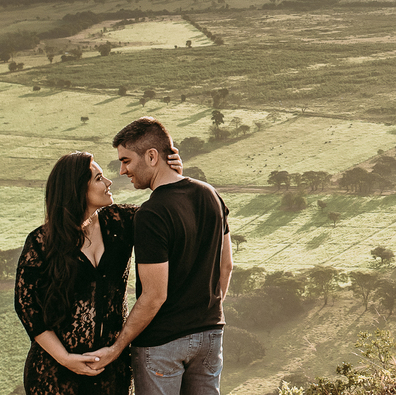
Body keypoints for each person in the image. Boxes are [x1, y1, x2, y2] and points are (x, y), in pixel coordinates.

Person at [14, 148, 182, 395]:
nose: (109, 181)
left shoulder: (123, 221)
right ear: (76, 189)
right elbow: (26, 307)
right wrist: (65, 358)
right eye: (98, 178)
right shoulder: (41, 241)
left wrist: (172, 177)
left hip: (111, 369)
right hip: (54, 373)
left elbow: (163, 216)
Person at [85, 117, 233, 395]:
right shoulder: (210, 194)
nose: (122, 170)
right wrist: (203, 316)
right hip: (210, 335)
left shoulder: (152, 214)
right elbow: (226, 266)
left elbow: (155, 295)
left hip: (162, 343)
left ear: (152, 156)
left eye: (126, 160)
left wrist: (117, 348)